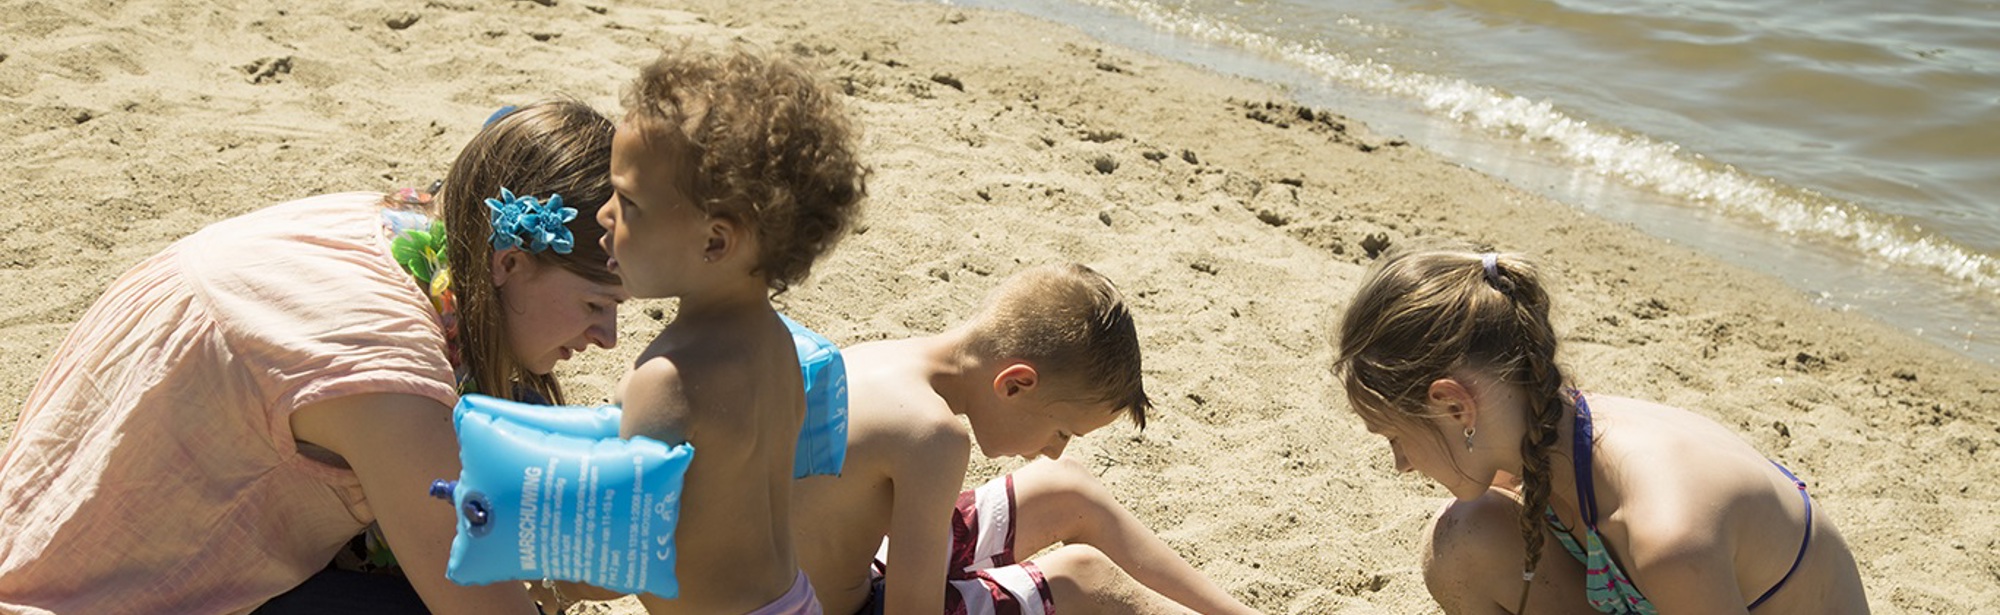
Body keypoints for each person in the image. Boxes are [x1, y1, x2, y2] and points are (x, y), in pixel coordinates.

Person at [0, 100, 628, 615]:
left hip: (47, 538)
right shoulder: (386, 370)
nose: (610, 337)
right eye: (597, 305)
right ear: (510, 262)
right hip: (92, 598)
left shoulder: (386, 227)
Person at [1333, 245, 1869, 614]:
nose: (1401, 464)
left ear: (1455, 408)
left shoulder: (1667, 531)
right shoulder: (1546, 433)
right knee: (1462, 539)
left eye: (1395, 438)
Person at [791, 263, 1262, 615]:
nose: (1055, 448)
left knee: (1065, 487)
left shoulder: (888, 362)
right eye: (1062, 431)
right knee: (1083, 578)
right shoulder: (933, 436)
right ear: (1014, 384)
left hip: (843, 571)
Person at [592, 42, 866, 615]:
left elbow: (618, 558)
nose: (604, 214)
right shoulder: (779, 346)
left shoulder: (667, 381)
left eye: (627, 201)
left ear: (715, 241)